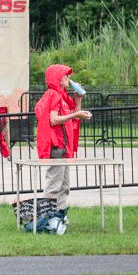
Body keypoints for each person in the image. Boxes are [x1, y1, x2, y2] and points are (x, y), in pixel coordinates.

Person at [35, 64, 92, 222]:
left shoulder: (63, 96)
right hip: (57, 146)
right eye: (66, 76)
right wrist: (78, 113)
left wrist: (78, 101)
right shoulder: (53, 94)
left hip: (63, 147)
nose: (69, 79)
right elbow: (53, 120)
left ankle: (59, 216)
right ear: (58, 79)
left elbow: (73, 116)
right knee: (54, 185)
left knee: (64, 185)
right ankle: (45, 218)